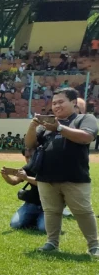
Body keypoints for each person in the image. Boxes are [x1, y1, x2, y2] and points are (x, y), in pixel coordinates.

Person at [24, 88, 99, 256]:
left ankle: (94, 245)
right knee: (51, 211)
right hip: (46, 177)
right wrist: (33, 126)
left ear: (73, 102)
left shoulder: (85, 119)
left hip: (75, 177)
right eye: (53, 103)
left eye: (60, 102)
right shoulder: (47, 124)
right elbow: (30, 145)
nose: (56, 106)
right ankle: (52, 242)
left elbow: (87, 137)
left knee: (83, 212)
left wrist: (59, 128)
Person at [1, 149, 44, 233]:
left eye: (32, 157)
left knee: (43, 228)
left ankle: (42, 219)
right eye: (27, 157)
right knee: (15, 224)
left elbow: (44, 184)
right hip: (32, 203)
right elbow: (14, 181)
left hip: (48, 206)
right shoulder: (27, 168)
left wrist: (26, 178)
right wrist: (6, 176)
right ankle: (36, 219)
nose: (29, 160)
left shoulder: (49, 167)